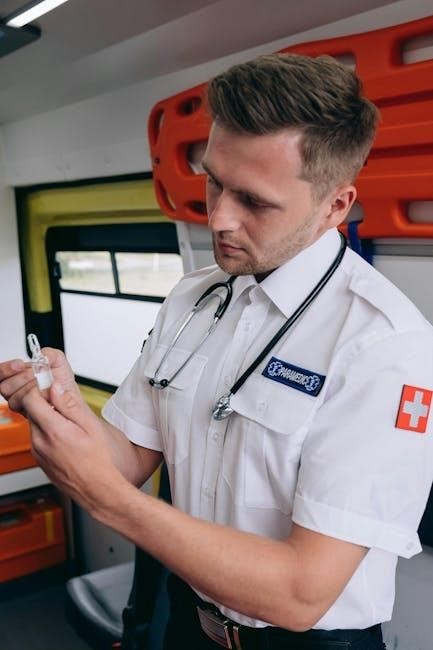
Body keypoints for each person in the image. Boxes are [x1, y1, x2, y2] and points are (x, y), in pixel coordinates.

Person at [1, 53, 433, 650]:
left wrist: (112, 504)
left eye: (254, 201)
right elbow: (128, 458)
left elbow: (302, 592)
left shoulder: (383, 345)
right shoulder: (194, 297)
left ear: (335, 206)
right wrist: (65, 409)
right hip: (189, 621)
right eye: (214, 182)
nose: (219, 218)